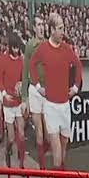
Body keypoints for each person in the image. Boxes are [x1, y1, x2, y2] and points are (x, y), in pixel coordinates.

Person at [28, 13, 82, 171]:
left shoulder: (67, 49)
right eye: (60, 28)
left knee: (64, 147)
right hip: (50, 107)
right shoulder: (43, 48)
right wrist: (38, 86)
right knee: (57, 152)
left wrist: (75, 88)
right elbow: (31, 65)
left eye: (63, 28)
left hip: (65, 106)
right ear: (51, 30)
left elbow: (78, 66)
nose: (63, 31)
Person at [22, 18, 49, 168]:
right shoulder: (30, 45)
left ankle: (42, 156)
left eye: (43, 24)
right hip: (34, 90)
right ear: (33, 28)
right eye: (39, 25)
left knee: (48, 136)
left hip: (47, 91)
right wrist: (24, 97)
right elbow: (25, 70)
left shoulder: (48, 44)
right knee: (39, 130)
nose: (41, 27)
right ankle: (43, 170)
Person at [0, 34, 26, 168]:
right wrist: (4, 94)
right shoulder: (4, 59)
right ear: (10, 47)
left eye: (18, 48)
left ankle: (21, 164)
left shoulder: (21, 60)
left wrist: (22, 85)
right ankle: (7, 150)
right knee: (11, 138)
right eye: (14, 48)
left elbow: (24, 78)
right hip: (8, 103)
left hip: (19, 101)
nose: (16, 51)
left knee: (21, 134)